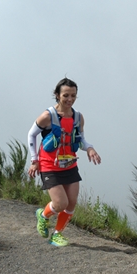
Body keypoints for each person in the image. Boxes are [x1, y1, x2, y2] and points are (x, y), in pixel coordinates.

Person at [27, 78, 101, 247]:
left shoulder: (78, 117)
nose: (70, 99)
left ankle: (57, 235)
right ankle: (43, 216)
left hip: (69, 165)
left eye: (73, 95)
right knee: (61, 203)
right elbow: (31, 134)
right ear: (57, 95)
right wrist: (34, 160)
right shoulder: (48, 116)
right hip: (49, 165)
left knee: (72, 203)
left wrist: (89, 148)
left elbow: (81, 139)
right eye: (66, 95)